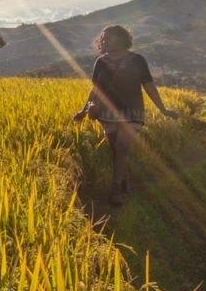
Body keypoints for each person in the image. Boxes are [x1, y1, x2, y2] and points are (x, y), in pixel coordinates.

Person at [73, 25, 179, 205]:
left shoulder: (138, 60)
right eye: (103, 37)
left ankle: (115, 191)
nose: (105, 40)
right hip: (108, 113)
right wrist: (84, 111)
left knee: (122, 147)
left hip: (132, 112)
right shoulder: (100, 62)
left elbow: (149, 86)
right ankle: (124, 183)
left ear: (122, 38)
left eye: (110, 37)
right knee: (117, 151)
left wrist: (163, 109)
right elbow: (96, 90)